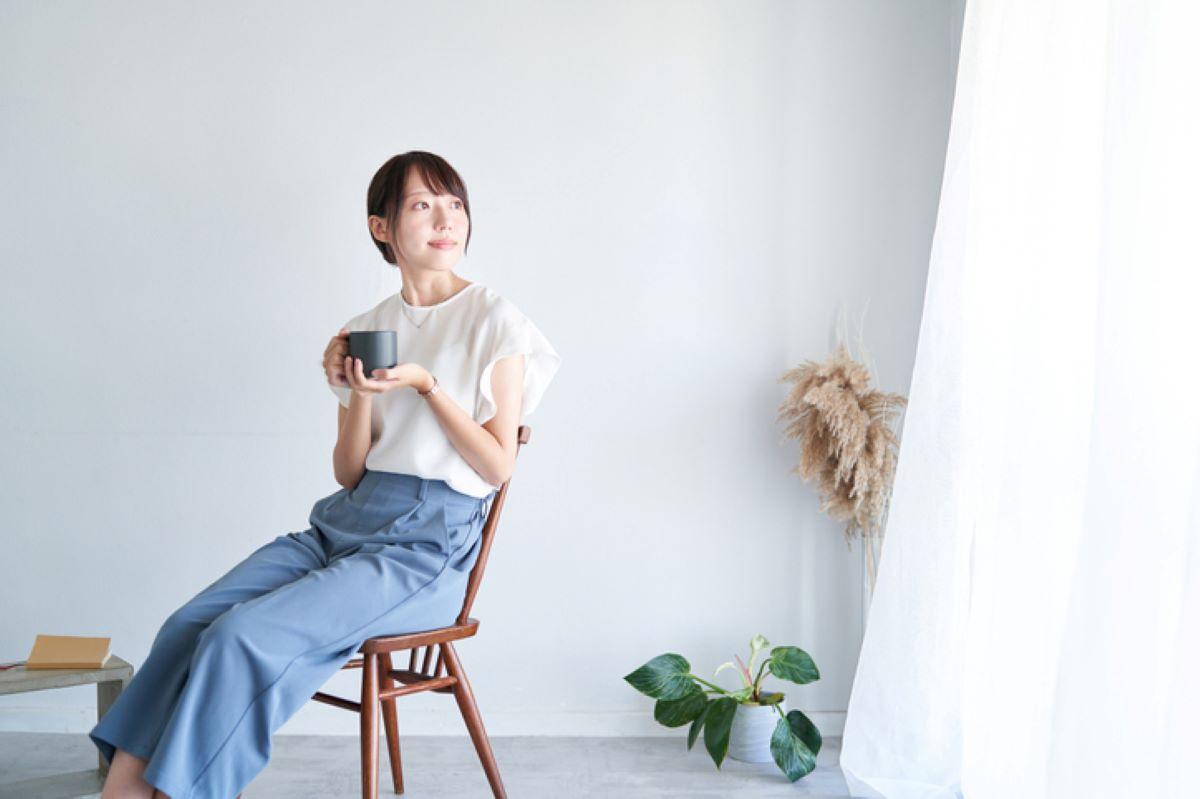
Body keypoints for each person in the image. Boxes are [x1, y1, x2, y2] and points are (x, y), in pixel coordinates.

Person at [89, 151, 561, 799]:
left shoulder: (494, 320)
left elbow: (498, 462)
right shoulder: (370, 326)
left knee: (241, 636)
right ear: (382, 227)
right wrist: (357, 389)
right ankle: (123, 792)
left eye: (454, 204)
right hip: (344, 525)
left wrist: (426, 386)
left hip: (425, 550)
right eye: (422, 205)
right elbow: (347, 472)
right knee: (188, 624)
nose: (446, 219)